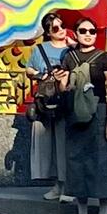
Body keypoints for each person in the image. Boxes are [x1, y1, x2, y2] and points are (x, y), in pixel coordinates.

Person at [60, 15, 107, 214]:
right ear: (76, 34)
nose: (87, 35)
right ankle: (81, 213)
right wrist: (59, 81)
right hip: (75, 113)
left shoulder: (104, 57)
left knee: (102, 161)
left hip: (99, 111)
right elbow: (64, 88)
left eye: (91, 31)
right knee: (76, 161)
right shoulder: (69, 57)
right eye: (83, 31)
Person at [26, 11, 71, 202]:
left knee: (64, 143)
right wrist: (38, 74)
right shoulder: (40, 50)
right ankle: (56, 184)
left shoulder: (72, 49)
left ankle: (66, 185)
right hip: (45, 100)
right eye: (55, 28)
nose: (60, 30)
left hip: (65, 99)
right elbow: (28, 69)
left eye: (62, 25)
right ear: (48, 31)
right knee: (46, 145)